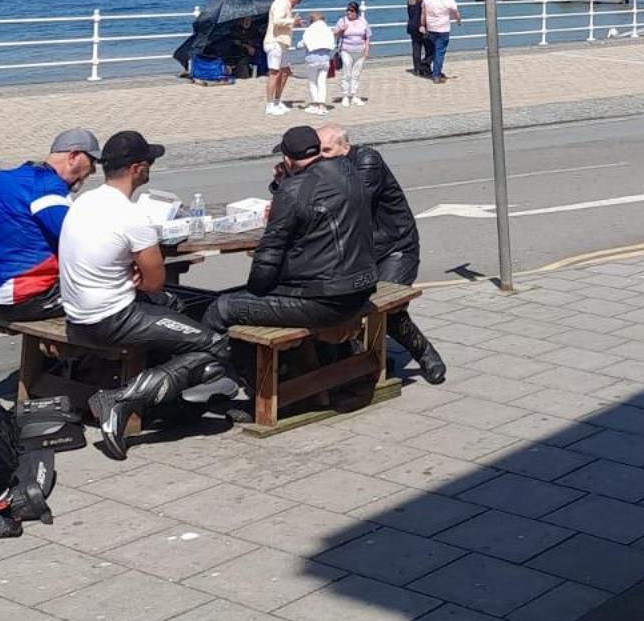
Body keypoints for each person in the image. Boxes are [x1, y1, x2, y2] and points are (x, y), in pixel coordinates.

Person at [60, 131, 233, 459]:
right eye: (150, 162)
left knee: (177, 305)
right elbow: (154, 282)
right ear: (138, 168)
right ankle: (122, 399)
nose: (151, 167)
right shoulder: (131, 216)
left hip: (77, 313)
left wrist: (132, 270)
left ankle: (170, 396)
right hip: (112, 318)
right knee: (214, 345)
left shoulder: (83, 202)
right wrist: (142, 272)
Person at [204, 124, 376, 346]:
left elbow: (270, 253)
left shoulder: (292, 189)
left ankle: (214, 373)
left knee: (221, 308)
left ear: (288, 159)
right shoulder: (349, 171)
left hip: (325, 300)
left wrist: (255, 294)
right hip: (360, 288)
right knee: (245, 299)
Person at [317, 123, 445, 382]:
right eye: (318, 150)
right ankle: (367, 360)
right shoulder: (323, 168)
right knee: (339, 304)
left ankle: (425, 354)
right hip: (359, 252)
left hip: (395, 245)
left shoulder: (366, 161)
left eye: (327, 149)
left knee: (388, 307)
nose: (322, 155)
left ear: (345, 147)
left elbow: (353, 201)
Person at [0, 128, 101, 321]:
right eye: (91, 163)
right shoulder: (47, 190)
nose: (92, 171)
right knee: (117, 292)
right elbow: (79, 241)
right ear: (74, 156)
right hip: (25, 297)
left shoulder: (7, 178)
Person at [264, 0, 305, 116]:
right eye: (297, 2)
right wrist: (292, 21)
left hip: (282, 43)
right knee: (274, 73)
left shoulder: (285, 4)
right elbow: (277, 21)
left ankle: (277, 101)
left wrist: (294, 22)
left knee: (285, 72)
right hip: (275, 42)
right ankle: (269, 105)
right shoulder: (281, 3)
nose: (296, 6)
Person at [422, 0, 460, 82]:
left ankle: (433, 70)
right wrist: (458, 20)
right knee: (439, 52)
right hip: (443, 29)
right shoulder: (449, 0)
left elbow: (423, 12)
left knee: (433, 50)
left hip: (430, 28)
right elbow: (455, 13)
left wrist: (422, 25)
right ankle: (436, 74)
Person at [334, 0, 370, 106]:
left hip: (360, 51)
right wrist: (341, 30)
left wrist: (367, 50)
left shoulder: (363, 21)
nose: (349, 12)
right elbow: (334, 33)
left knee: (356, 74)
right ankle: (345, 95)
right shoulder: (342, 21)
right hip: (346, 50)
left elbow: (367, 36)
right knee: (347, 72)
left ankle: (354, 95)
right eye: (348, 10)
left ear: (356, 12)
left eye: (352, 11)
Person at [301, 7, 336, 112]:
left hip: (312, 59)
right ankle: (322, 105)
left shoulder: (310, 30)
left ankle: (315, 103)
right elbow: (332, 44)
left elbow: (303, 43)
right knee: (322, 82)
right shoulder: (327, 29)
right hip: (325, 59)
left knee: (312, 82)